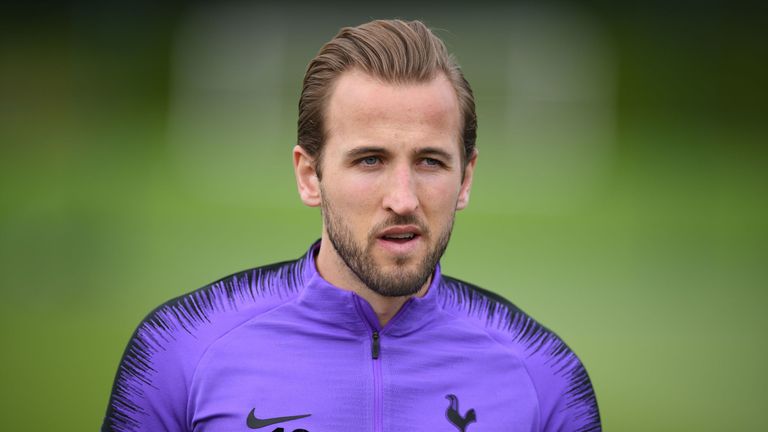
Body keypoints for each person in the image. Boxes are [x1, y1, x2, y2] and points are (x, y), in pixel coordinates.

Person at [102, 19, 600, 432]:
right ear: (309, 176)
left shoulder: (543, 373)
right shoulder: (180, 348)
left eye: (430, 162)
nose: (403, 200)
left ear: (465, 178)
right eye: (369, 160)